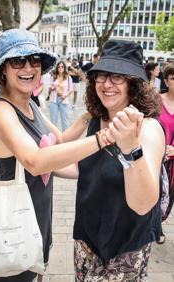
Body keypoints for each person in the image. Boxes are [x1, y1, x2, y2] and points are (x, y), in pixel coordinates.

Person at [0, 29, 140, 282]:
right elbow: (35, 161)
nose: (28, 67)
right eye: (17, 61)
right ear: (3, 69)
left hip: (39, 218)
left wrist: (92, 111)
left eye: (34, 60)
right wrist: (104, 138)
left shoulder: (30, 105)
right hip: (15, 225)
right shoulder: (1, 110)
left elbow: (59, 140)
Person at [73, 39, 165, 281]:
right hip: (86, 241)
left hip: (125, 249)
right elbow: (85, 166)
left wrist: (131, 147)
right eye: (101, 76)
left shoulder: (148, 129)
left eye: (117, 77)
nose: (106, 84)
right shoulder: (97, 118)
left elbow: (144, 204)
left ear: (133, 84)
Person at [158, 63, 174, 243]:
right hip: (157, 157)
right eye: (173, 78)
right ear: (166, 81)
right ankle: (156, 226)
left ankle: (160, 219)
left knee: (169, 196)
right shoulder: (157, 100)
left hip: (173, 161)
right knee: (156, 193)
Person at [49, 61, 73, 131]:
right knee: (53, 120)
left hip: (64, 100)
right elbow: (50, 88)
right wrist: (53, 87)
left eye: (62, 66)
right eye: (59, 66)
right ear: (57, 68)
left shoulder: (68, 78)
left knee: (65, 121)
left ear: (64, 68)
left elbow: (71, 89)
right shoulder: (53, 77)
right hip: (54, 99)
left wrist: (65, 95)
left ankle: (65, 137)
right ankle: (54, 137)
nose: (60, 68)